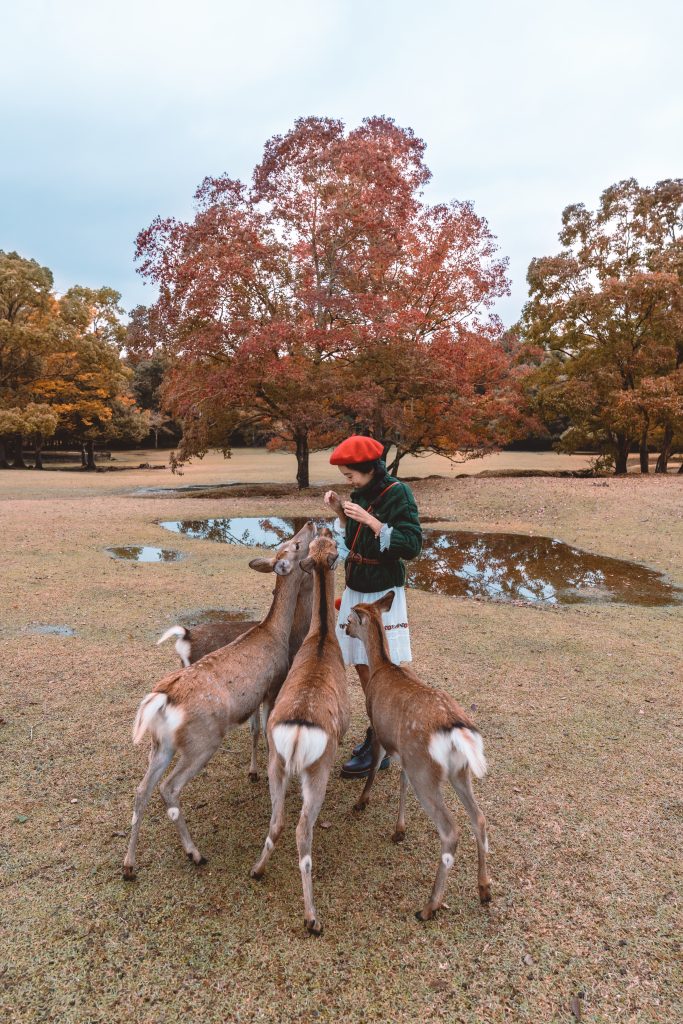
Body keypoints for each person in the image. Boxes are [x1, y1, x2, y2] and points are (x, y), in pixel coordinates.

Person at [323, 435, 422, 778]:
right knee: (362, 665)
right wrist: (341, 512)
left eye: (350, 474)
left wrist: (373, 521)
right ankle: (378, 732)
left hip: (382, 593)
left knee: (382, 666)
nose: (348, 480)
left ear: (368, 468)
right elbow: (354, 540)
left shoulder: (398, 494)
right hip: (357, 586)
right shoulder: (362, 495)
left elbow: (412, 545)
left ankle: (383, 737)